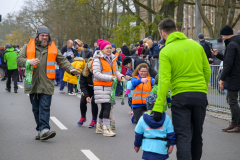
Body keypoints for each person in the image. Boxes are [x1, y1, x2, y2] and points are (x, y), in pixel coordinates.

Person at [152, 18, 211, 160]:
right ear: (177, 30)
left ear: (162, 34)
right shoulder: (196, 46)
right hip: (199, 96)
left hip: (181, 97)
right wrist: (202, 89)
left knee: (183, 137)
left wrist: (158, 106)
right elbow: (207, 71)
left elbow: (164, 80)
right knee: (197, 135)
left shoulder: (166, 51)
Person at [17, 26, 80, 140]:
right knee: (36, 109)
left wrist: (71, 69)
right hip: (32, 83)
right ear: (38, 36)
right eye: (43, 35)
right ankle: (40, 130)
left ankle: (45, 129)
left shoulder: (53, 47)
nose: (45, 37)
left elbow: (63, 60)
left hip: (47, 83)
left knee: (45, 107)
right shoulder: (28, 46)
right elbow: (19, 59)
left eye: (47, 35)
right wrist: (29, 61)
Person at [93, 39, 125, 137]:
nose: (109, 49)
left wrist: (121, 77)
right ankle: (106, 128)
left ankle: (99, 126)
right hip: (101, 86)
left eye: (110, 48)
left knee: (104, 107)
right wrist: (111, 78)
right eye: (107, 48)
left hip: (109, 86)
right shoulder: (98, 59)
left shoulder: (113, 58)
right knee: (107, 106)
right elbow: (96, 73)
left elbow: (115, 72)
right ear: (102, 49)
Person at [212, 25, 240, 133]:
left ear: (226, 34)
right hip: (235, 75)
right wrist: (218, 55)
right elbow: (228, 59)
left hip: (233, 76)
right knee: (231, 100)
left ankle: (238, 123)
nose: (222, 38)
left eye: (222, 35)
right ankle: (234, 122)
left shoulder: (232, 45)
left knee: (232, 101)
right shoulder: (235, 43)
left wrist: (221, 79)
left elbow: (228, 64)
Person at [78, 58, 99, 128]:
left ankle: (94, 120)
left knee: (94, 102)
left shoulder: (99, 72)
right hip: (88, 88)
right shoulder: (84, 73)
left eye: (94, 70)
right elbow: (83, 85)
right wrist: (86, 96)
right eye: (91, 70)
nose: (93, 71)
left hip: (97, 89)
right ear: (89, 68)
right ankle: (83, 117)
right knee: (82, 101)